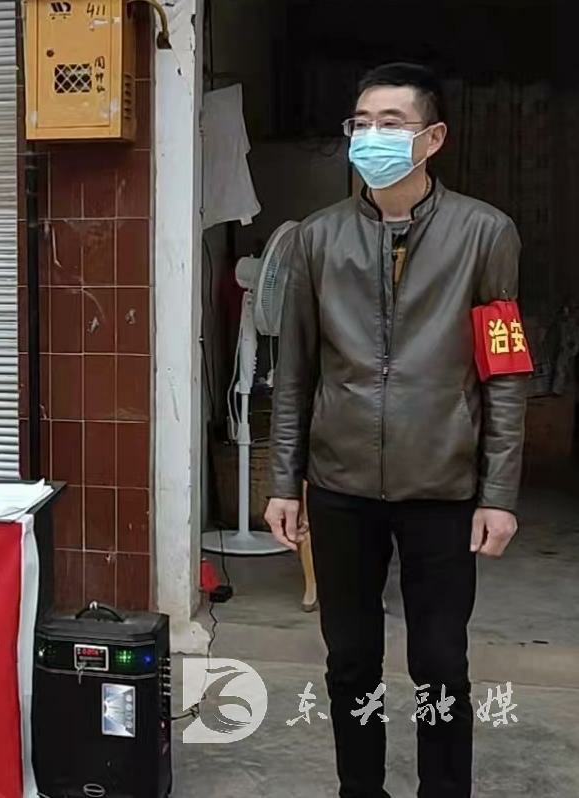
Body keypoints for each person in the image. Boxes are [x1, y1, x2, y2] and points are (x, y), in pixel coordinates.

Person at [265, 62, 528, 798]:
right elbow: (295, 373)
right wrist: (284, 480)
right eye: (361, 124)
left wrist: (499, 494)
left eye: (391, 123)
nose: (371, 137)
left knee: (440, 663)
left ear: (432, 138)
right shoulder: (317, 239)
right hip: (341, 485)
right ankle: (361, 789)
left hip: (442, 486)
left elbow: (505, 370)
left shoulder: (485, 233)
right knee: (350, 661)